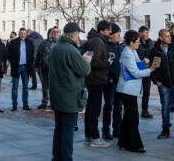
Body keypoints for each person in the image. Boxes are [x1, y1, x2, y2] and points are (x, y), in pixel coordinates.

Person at [49, 22, 93, 161]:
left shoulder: (56, 47)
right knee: (68, 129)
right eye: (78, 34)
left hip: (57, 94)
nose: (78, 37)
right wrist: (86, 60)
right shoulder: (71, 50)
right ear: (73, 34)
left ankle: (57, 157)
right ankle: (66, 158)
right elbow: (84, 70)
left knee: (59, 128)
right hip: (69, 95)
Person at [115, 29, 158, 153]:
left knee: (129, 116)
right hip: (127, 89)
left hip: (131, 89)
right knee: (133, 118)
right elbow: (134, 72)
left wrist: (144, 63)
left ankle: (123, 141)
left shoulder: (131, 51)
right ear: (131, 42)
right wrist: (150, 70)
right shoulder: (127, 53)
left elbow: (136, 65)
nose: (139, 44)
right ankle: (133, 144)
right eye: (137, 42)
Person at [82, 20, 111, 148]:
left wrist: (105, 58)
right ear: (102, 31)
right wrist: (107, 62)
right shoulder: (98, 41)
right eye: (108, 30)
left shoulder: (94, 40)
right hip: (96, 79)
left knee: (90, 108)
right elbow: (93, 62)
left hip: (92, 79)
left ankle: (89, 135)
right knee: (94, 109)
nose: (110, 33)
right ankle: (94, 137)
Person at [103, 23, 123, 140]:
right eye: (117, 34)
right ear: (111, 35)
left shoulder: (119, 47)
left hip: (119, 81)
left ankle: (117, 129)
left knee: (118, 106)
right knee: (108, 106)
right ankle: (106, 129)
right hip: (110, 82)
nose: (119, 37)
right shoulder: (106, 47)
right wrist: (109, 77)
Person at [7, 28, 33, 111]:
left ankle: (25, 104)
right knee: (15, 86)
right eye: (21, 33)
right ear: (19, 34)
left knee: (25, 87)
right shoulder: (13, 43)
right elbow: (9, 54)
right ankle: (14, 104)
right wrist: (13, 62)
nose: (22, 35)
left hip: (26, 67)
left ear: (26, 34)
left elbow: (31, 54)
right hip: (16, 67)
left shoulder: (29, 43)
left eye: (24, 34)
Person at [35, 26, 60, 110]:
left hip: (56, 69)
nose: (55, 34)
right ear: (51, 33)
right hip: (44, 67)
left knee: (55, 86)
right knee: (44, 86)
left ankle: (54, 103)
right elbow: (39, 54)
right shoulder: (44, 43)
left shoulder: (61, 43)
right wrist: (36, 65)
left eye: (57, 32)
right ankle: (44, 102)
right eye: (54, 32)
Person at [135, 26, 155, 118]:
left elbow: (153, 53)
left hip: (148, 70)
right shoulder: (136, 42)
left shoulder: (150, 42)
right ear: (140, 33)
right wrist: (142, 59)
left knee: (146, 91)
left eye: (147, 33)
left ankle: (144, 110)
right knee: (135, 91)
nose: (147, 35)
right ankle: (134, 109)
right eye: (145, 33)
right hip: (138, 69)